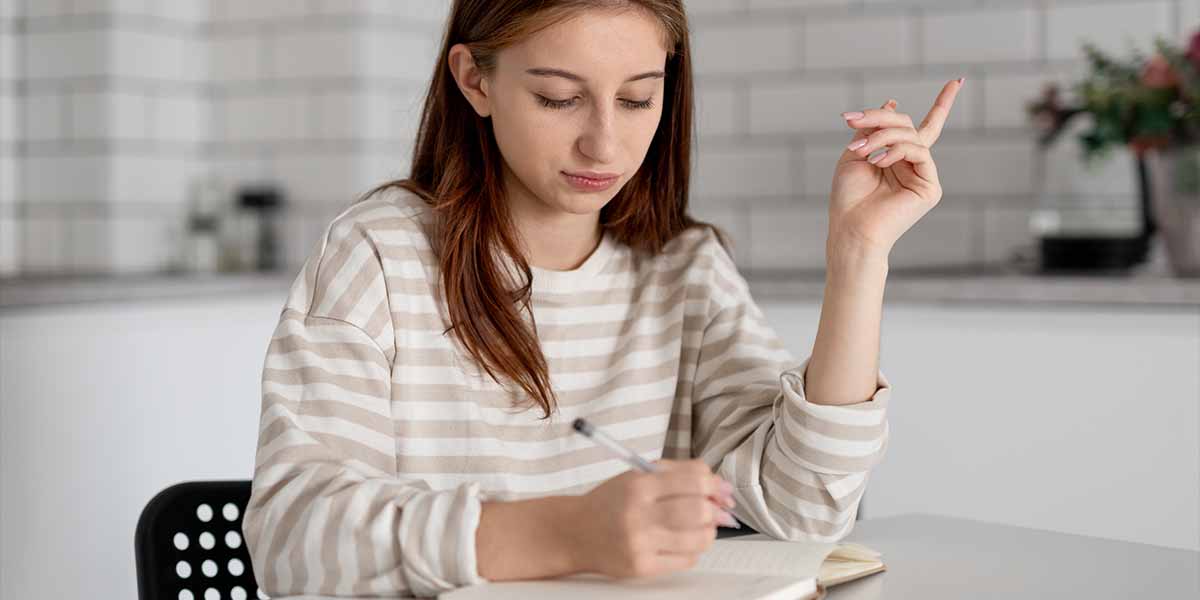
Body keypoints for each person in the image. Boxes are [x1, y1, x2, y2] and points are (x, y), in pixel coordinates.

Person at [242, 0, 962, 598]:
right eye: (559, 98)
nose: (604, 145)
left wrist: (858, 255)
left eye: (637, 98)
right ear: (474, 80)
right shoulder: (378, 253)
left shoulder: (684, 268)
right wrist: (568, 532)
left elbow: (805, 508)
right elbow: (293, 539)